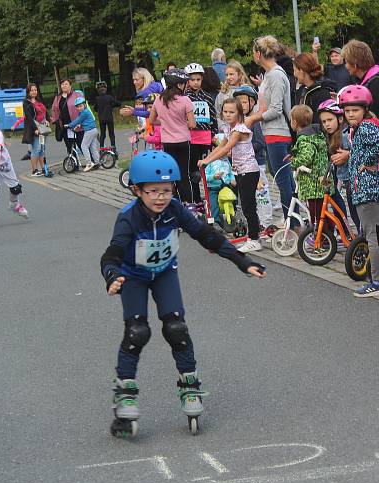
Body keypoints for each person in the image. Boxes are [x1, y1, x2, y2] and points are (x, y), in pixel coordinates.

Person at [101, 150, 265, 438]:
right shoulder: (128, 218)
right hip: (134, 276)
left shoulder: (176, 209)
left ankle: (189, 385)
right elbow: (111, 255)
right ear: (136, 190)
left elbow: (208, 236)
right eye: (152, 192)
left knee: (176, 328)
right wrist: (112, 277)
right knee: (137, 331)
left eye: (166, 190)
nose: (160, 198)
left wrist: (242, 261)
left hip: (164, 272)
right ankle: (125, 392)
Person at [338, 85, 379, 297]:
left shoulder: (365, 127)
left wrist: (368, 160)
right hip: (370, 187)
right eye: (347, 110)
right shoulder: (362, 128)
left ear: (364, 109)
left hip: (367, 189)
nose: (350, 114)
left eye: (355, 110)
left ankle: (378, 281)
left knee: (373, 236)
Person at [199, 98, 263, 251]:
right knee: (246, 205)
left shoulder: (239, 130)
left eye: (232, 112)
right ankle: (253, 235)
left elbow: (226, 148)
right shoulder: (228, 129)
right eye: (225, 112)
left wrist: (207, 162)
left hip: (249, 170)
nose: (228, 115)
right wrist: (205, 159)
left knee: (248, 207)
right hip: (240, 171)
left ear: (239, 114)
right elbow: (220, 146)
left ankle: (254, 239)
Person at [245, 36, 295, 226]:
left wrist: (253, 117)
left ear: (258, 54)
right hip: (271, 132)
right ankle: (292, 219)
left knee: (283, 180)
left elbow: (276, 109)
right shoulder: (269, 75)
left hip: (278, 132)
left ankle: (291, 223)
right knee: (282, 177)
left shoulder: (275, 75)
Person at [149, 69, 196, 203]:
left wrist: (165, 121)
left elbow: (152, 121)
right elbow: (192, 124)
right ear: (179, 85)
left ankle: (173, 202)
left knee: (171, 174)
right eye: (183, 83)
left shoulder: (159, 99)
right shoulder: (185, 100)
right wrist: (182, 123)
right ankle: (188, 204)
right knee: (184, 175)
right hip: (183, 141)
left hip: (168, 143)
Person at [341, 40, 379, 141]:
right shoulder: (367, 80)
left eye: (347, 62)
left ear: (355, 63)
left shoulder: (377, 81)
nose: (346, 66)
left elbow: (371, 113)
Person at [235, 85, 273, 228]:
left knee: (261, 194)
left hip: (257, 164)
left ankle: (266, 223)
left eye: (245, 102)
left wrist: (244, 147)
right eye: (239, 102)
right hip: (243, 166)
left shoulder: (253, 121)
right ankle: (254, 222)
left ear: (252, 103)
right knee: (248, 196)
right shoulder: (238, 122)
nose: (242, 105)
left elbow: (260, 143)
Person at [289, 105, 331, 232]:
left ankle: (321, 237)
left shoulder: (304, 138)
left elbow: (306, 157)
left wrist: (294, 162)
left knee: (316, 213)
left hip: (313, 182)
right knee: (322, 210)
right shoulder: (316, 134)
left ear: (295, 122)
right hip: (321, 178)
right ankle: (326, 232)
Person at [319, 99, 359, 228]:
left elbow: (358, 151)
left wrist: (348, 155)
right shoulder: (330, 136)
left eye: (330, 120)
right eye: (324, 122)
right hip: (346, 181)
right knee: (352, 211)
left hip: (355, 181)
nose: (327, 124)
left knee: (356, 213)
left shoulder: (345, 135)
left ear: (340, 119)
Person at [185, 62, 217, 203]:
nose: (195, 83)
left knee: (207, 171)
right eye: (192, 80)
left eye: (198, 79)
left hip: (205, 138)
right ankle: (196, 200)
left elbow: (213, 118)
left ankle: (211, 200)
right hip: (191, 139)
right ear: (187, 80)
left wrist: (214, 136)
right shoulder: (184, 98)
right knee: (194, 172)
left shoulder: (207, 97)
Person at [293, 52, 339, 123]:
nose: (294, 74)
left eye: (295, 70)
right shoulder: (301, 91)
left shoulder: (322, 92)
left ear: (301, 71)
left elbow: (323, 122)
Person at [15, 83, 47, 177]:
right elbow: (29, 117)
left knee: (42, 149)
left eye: (35, 90)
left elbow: (45, 111)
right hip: (34, 129)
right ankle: (34, 170)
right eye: (32, 90)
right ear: (28, 91)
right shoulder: (26, 102)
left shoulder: (39, 100)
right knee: (36, 149)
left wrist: (48, 120)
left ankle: (44, 169)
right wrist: (36, 129)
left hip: (42, 129)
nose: (34, 92)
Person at [50, 79, 85, 156]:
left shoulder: (77, 95)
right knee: (70, 146)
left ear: (70, 86)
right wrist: (55, 120)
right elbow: (54, 109)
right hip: (65, 126)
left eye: (66, 84)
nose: (64, 86)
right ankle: (73, 163)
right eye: (62, 84)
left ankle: (91, 161)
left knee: (82, 144)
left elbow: (83, 108)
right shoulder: (58, 97)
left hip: (77, 124)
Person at [67, 97, 100, 171]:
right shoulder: (84, 112)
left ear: (84, 105)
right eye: (77, 107)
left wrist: (69, 125)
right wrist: (79, 125)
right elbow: (85, 121)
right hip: (94, 130)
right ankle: (97, 162)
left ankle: (89, 163)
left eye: (80, 106)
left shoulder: (84, 112)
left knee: (83, 146)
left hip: (89, 131)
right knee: (93, 147)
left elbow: (78, 120)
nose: (79, 108)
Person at [93, 81, 120, 152]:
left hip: (102, 119)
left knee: (103, 134)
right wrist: (111, 106)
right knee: (111, 134)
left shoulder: (97, 99)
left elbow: (95, 108)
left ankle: (101, 148)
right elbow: (118, 103)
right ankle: (113, 148)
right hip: (109, 118)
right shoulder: (109, 97)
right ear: (106, 89)